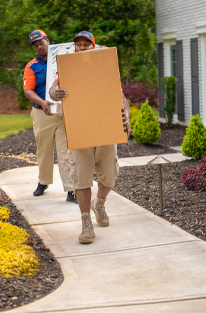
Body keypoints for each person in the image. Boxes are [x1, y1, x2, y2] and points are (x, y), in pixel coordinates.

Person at [49, 31, 131, 244]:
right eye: (79, 45)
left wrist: (126, 119)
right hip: (80, 131)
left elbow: (120, 96)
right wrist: (55, 93)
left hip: (105, 130)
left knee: (110, 175)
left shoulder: (105, 67)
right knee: (82, 178)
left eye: (87, 44)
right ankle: (86, 223)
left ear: (93, 47)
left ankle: (100, 203)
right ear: (74, 48)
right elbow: (53, 88)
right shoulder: (66, 69)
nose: (83, 48)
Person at [23, 30, 76, 203]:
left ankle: (71, 189)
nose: (39, 46)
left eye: (41, 42)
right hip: (41, 112)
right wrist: (43, 102)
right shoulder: (31, 66)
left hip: (62, 112)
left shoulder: (64, 58)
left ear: (48, 41)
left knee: (65, 151)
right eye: (36, 45)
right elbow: (27, 90)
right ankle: (43, 182)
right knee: (44, 150)